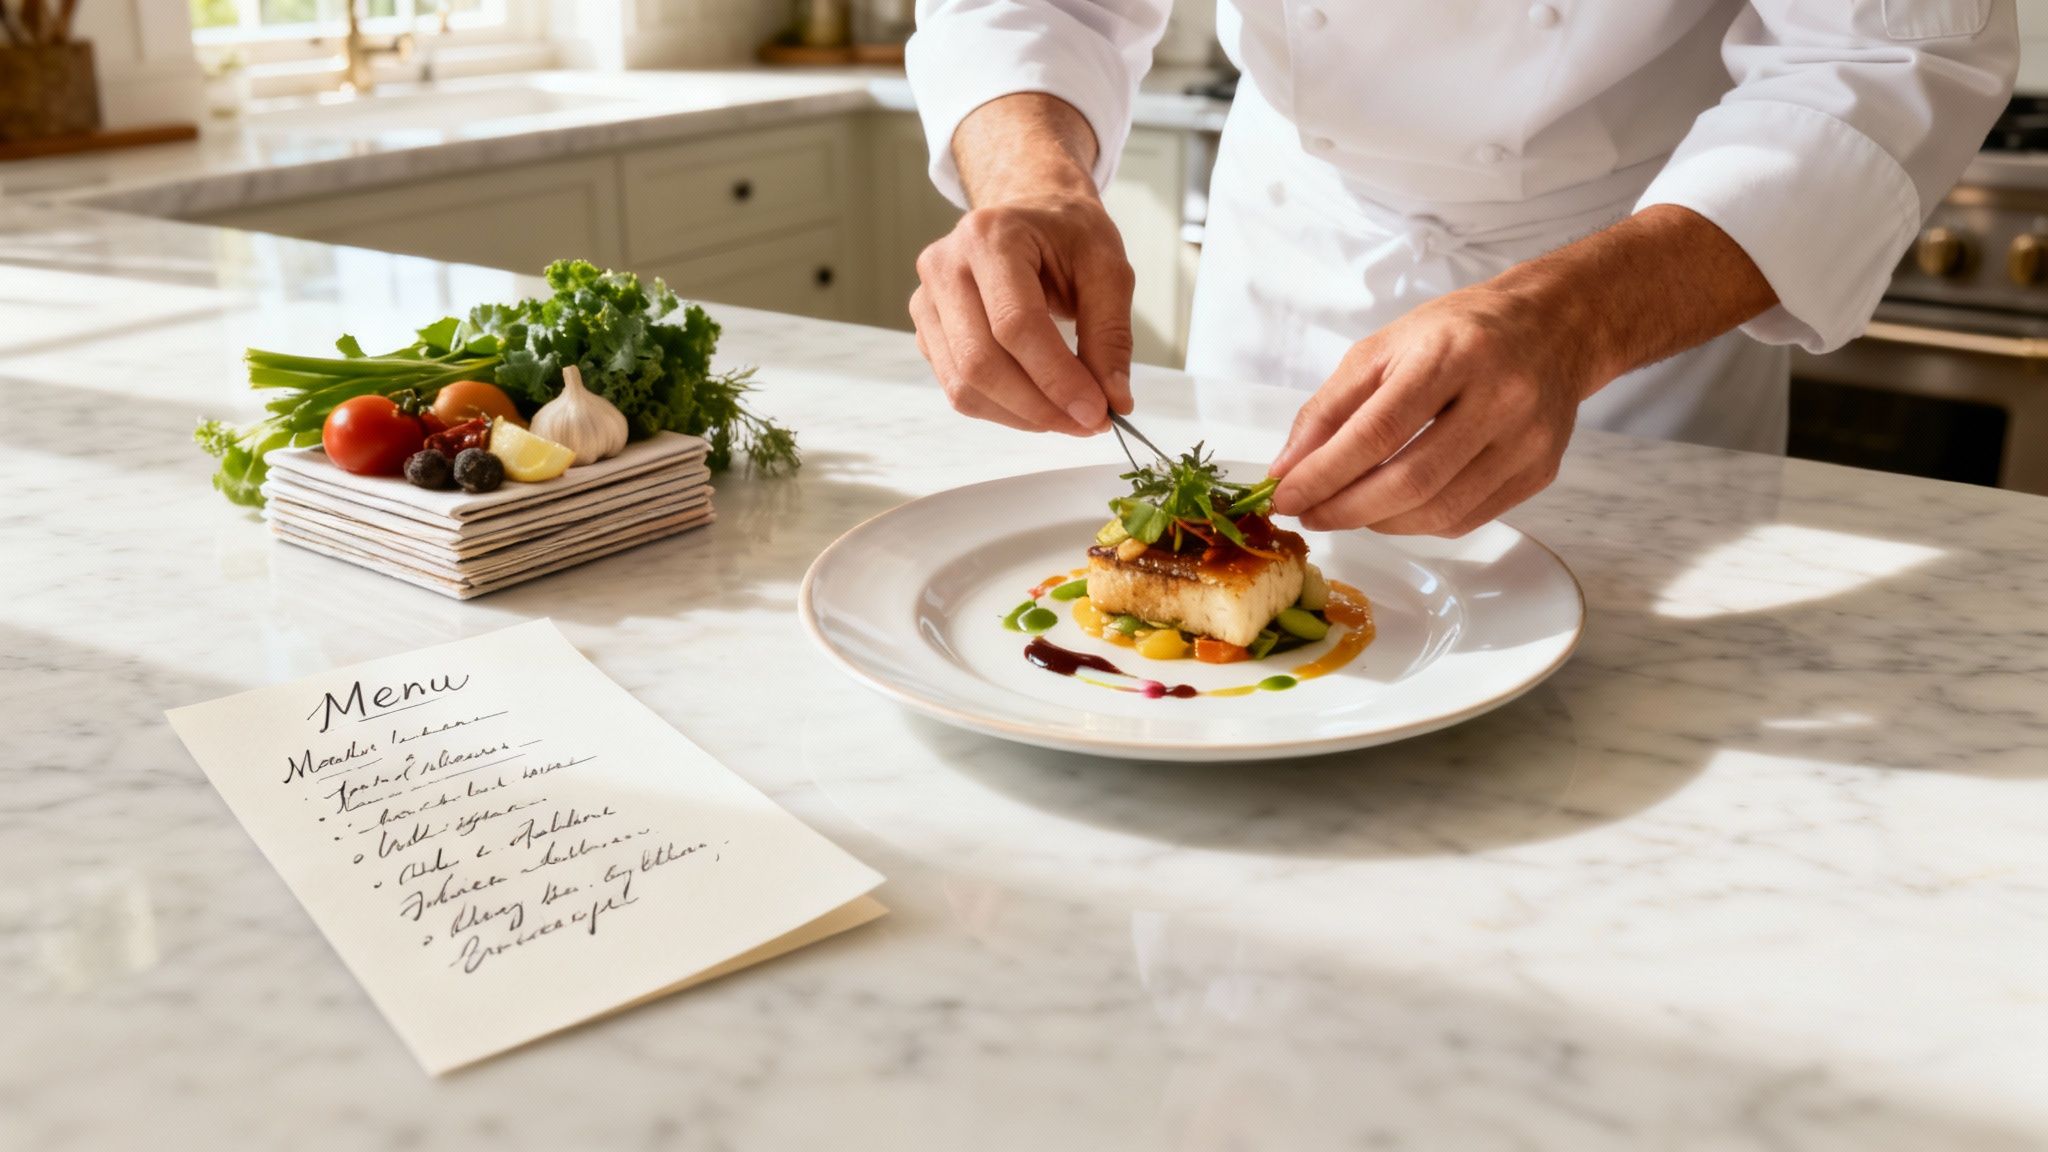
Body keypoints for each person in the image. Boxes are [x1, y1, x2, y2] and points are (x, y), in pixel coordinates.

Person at [903, 1, 2018, 535]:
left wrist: (1574, 321)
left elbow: (1891, 50)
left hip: (1633, 277)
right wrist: (1026, 178)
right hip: (1295, 240)